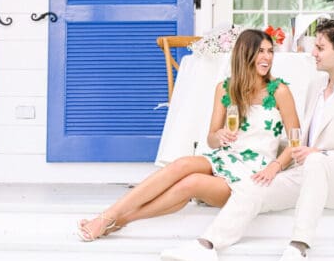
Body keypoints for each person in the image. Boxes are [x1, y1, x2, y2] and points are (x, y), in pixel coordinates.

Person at [160, 18, 334, 261]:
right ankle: (206, 246)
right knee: (254, 184)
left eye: (320, 47)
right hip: (304, 173)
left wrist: (320, 154)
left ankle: (298, 250)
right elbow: (298, 137)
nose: (312, 52)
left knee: (314, 162)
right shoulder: (317, 87)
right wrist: (275, 161)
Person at [76, 28, 300, 241]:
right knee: (181, 164)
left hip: (252, 173)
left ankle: (120, 220)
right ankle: (107, 216)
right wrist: (220, 135)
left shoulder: (280, 91)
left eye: (270, 51)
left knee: (190, 183)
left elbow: (295, 141)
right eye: (261, 51)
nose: (267, 57)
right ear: (244, 54)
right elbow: (211, 139)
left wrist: (275, 167)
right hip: (225, 159)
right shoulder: (225, 88)